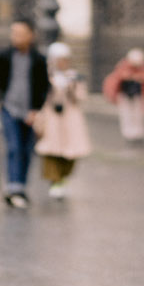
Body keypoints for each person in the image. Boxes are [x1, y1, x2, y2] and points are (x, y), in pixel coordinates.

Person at [0, 16, 50, 209]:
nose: (17, 37)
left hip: (29, 111)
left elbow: (43, 86)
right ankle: (12, 188)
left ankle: (21, 187)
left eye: (21, 33)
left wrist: (36, 110)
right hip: (9, 108)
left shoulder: (38, 59)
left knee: (26, 150)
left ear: (31, 35)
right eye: (14, 33)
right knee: (13, 147)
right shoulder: (3, 56)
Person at [36, 40, 92, 197]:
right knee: (51, 151)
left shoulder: (74, 77)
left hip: (70, 118)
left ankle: (63, 178)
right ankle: (55, 181)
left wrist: (72, 84)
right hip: (52, 118)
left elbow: (81, 97)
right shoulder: (47, 77)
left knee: (71, 152)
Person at [102, 47, 144, 143]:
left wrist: (139, 78)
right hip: (125, 95)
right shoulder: (122, 67)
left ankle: (138, 134)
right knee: (126, 115)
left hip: (139, 96)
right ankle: (128, 134)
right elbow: (114, 81)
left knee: (138, 115)